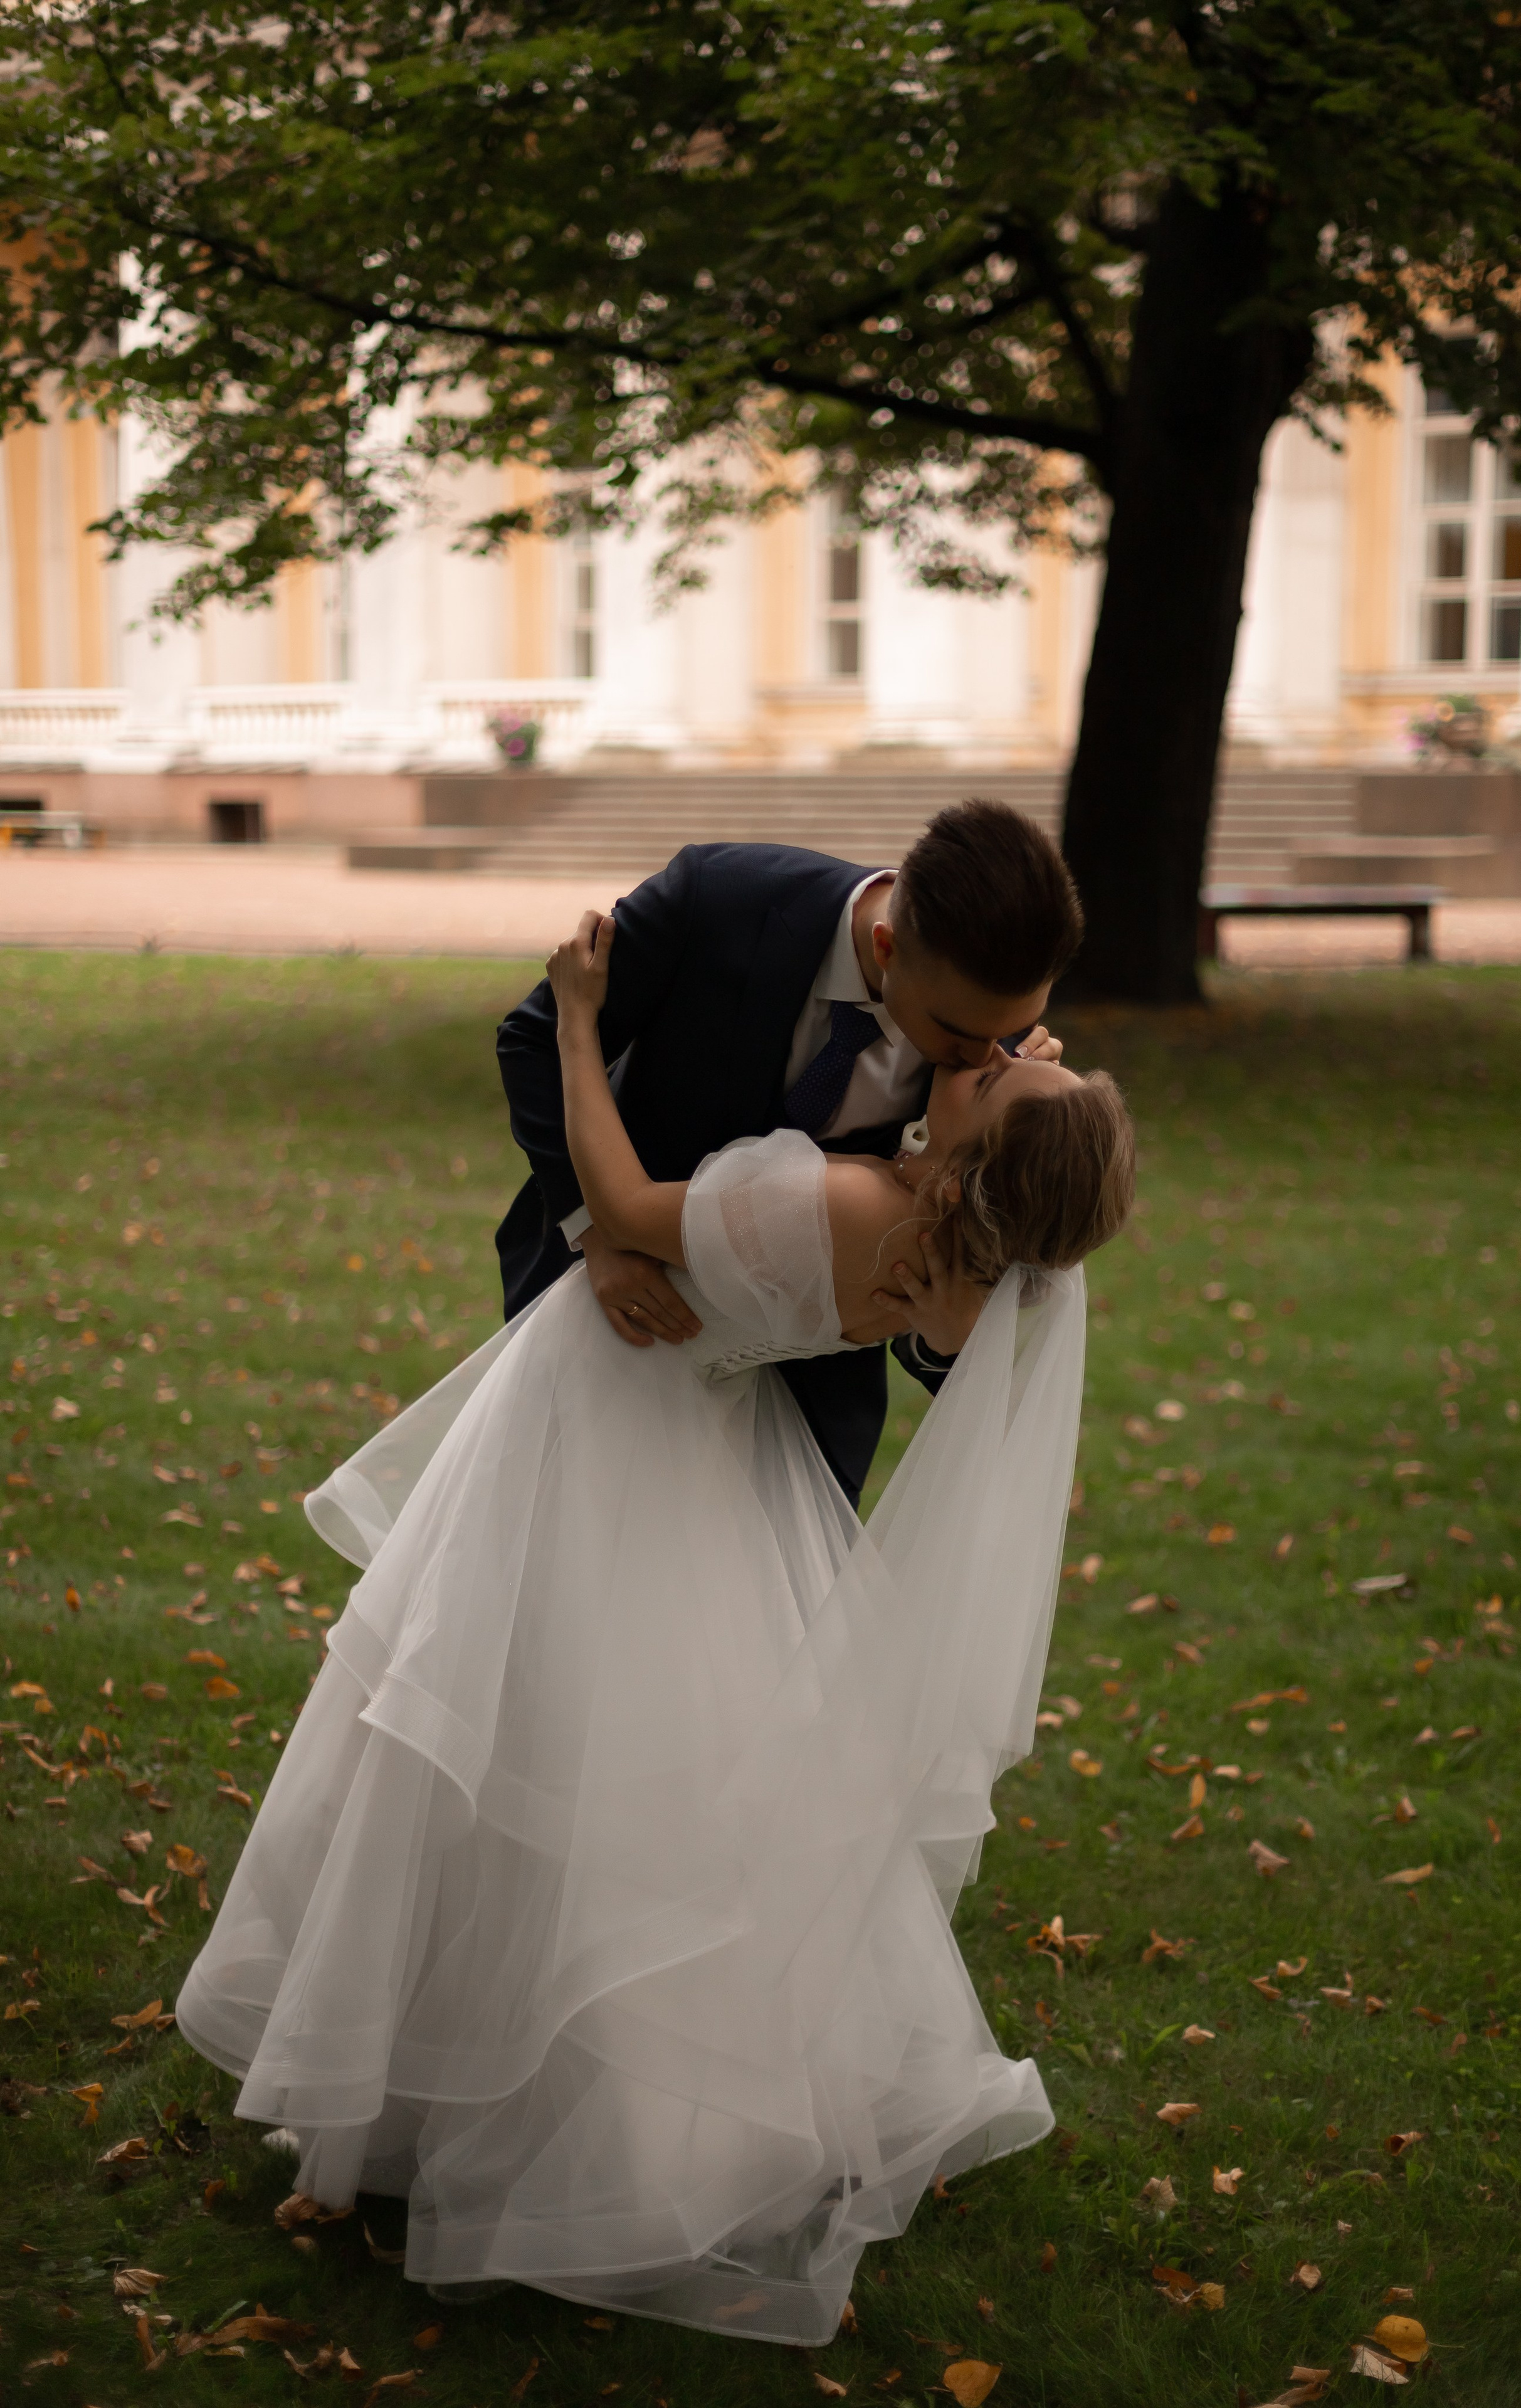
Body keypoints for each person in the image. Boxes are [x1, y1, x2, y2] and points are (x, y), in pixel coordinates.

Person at [176, 912, 1135, 2350]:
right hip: (705, 1459)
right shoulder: (948, 1249)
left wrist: (575, 1017)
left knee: (519, 1740)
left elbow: (623, 1205)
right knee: (646, 1780)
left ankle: (499, 2110)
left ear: (983, 1149)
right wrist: (1018, 1096)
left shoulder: (850, 1211)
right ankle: (624, 2111)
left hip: (600, 1428)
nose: (986, 1055)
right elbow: (972, 1162)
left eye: (995, 1072)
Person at [494, 799, 1085, 1504]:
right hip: (611, 1334)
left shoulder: (992, 1071)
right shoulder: (717, 899)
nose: (988, 1056)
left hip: (803, 1418)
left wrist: (945, 1339)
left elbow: (951, 1256)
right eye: (960, 1037)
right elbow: (535, 1039)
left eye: (1014, 1031)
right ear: (888, 947)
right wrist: (594, 1231)